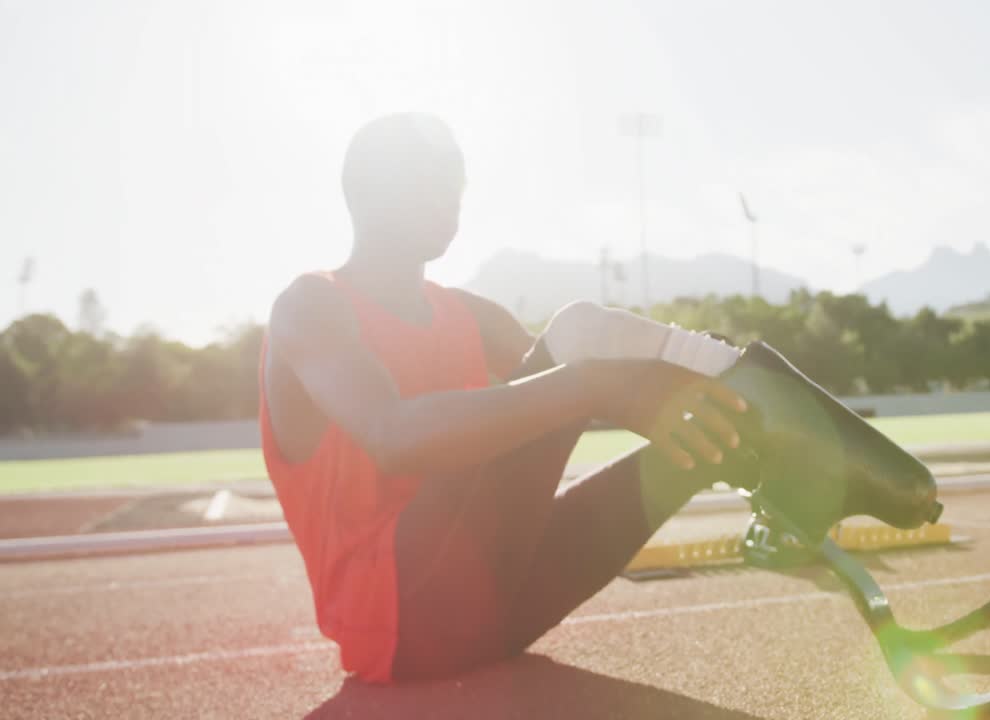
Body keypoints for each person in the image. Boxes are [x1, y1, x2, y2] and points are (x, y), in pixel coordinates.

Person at [261, 113, 762, 684]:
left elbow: (567, 408)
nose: (448, 197)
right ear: (366, 192)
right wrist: (597, 380)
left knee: (695, 443)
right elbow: (392, 437)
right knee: (578, 335)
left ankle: (764, 421)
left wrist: (692, 390)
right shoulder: (311, 306)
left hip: (502, 610)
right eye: (425, 178)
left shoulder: (469, 315)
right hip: (400, 624)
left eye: (454, 181)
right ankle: (731, 378)